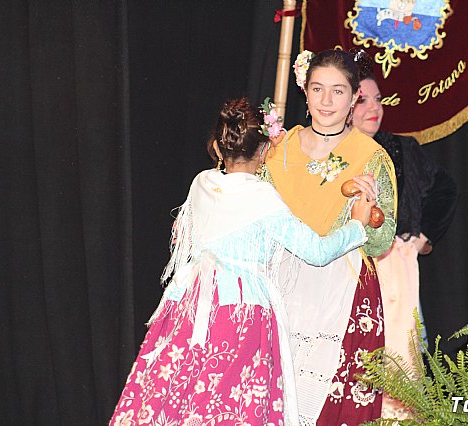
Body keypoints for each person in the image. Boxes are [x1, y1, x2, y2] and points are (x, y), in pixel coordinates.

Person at [109, 98, 377, 426]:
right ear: (264, 151)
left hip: (189, 306)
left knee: (178, 395)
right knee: (232, 405)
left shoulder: (202, 184)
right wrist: (357, 225)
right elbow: (316, 252)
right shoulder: (263, 198)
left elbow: (183, 236)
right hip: (240, 312)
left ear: (220, 147)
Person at [262, 49, 398, 425]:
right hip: (281, 287)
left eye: (338, 91)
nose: (326, 101)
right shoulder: (278, 151)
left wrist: (364, 212)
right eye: (318, 88)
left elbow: (381, 241)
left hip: (345, 290)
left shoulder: (370, 157)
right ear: (304, 91)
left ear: (355, 96)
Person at [351, 52, 459, 401]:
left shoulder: (401, 148)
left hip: (393, 268)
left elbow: (446, 189)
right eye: (362, 99)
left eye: (378, 99)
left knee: (398, 359)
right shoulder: (329, 151)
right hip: (343, 267)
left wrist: (421, 239)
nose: (374, 108)